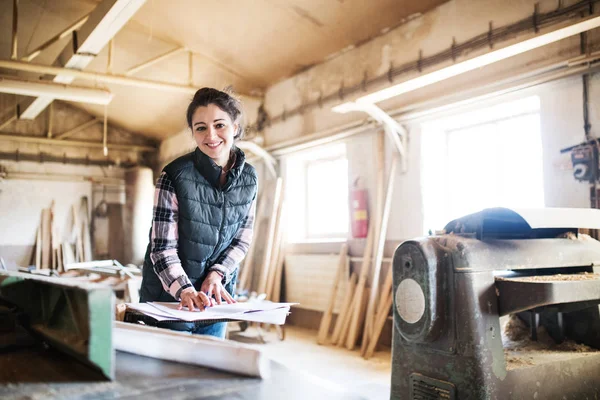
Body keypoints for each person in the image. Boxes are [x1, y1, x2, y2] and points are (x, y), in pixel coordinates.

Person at [139, 87, 258, 338]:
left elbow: (242, 238)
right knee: (168, 373)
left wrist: (218, 273)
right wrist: (185, 290)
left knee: (211, 370)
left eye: (219, 125)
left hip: (216, 296)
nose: (211, 135)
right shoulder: (174, 176)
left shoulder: (249, 178)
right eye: (201, 127)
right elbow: (162, 249)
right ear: (193, 132)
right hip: (169, 298)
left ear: (235, 127)